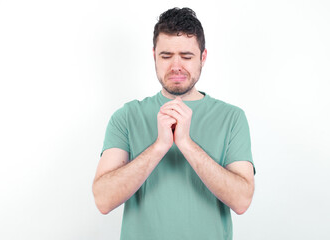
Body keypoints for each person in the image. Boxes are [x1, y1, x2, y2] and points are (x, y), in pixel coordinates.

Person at [92, 7, 255, 240]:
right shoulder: (127, 116)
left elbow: (241, 200)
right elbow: (103, 200)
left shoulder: (232, 118)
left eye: (186, 57)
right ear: (154, 56)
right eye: (166, 56)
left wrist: (186, 144)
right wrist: (160, 146)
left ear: (203, 57)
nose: (176, 66)